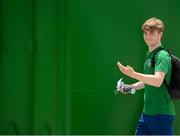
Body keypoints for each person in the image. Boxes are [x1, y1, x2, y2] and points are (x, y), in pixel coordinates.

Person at [117, 17, 175, 135]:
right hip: (147, 114)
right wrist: (129, 87)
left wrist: (133, 74)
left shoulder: (162, 56)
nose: (148, 36)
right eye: (145, 33)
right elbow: (147, 81)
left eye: (152, 33)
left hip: (161, 115)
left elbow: (158, 81)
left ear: (160, 34)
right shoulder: (149, 55)